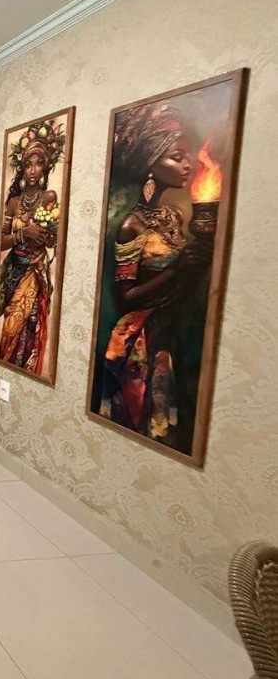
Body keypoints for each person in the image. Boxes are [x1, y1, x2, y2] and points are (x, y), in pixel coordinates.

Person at [98, 103, 205, 442]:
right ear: (151, 164)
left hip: (172, 328)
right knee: (139, 413)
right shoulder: (132, 225)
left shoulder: (174, 215)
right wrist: (177, 270)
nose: (188, 165)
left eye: (187, 156)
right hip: (139, 337)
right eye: (177, 157)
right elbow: (125, 297)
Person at [0, 121, 65, 374]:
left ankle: (24, 372)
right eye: (28, 164)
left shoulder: (49, 197)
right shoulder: (14, 202)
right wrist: (23, 233)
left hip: (35, 271)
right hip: (12, 268)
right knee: (9, 327)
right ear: (22, 168)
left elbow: (51, 242)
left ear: (46, 166)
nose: (33, 170)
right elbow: (0, 243)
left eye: (38, 164)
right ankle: (5, 371)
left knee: (30, 325)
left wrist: (49, 235)